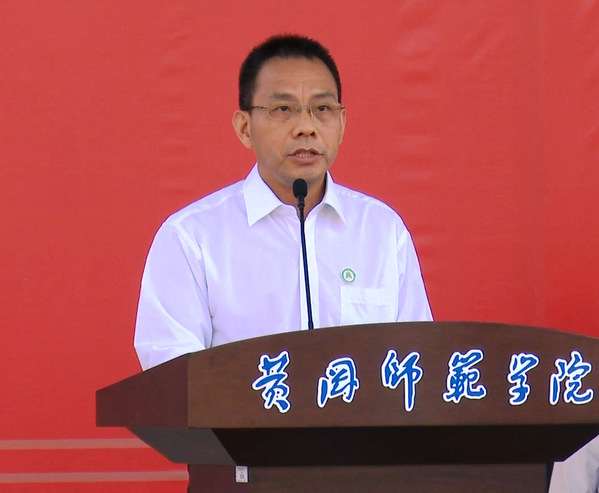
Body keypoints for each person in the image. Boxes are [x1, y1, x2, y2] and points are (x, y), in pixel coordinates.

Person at [133, 34, 432, 371]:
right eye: (283, 110)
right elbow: (173, 378)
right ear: (245, 128)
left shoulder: (381, 231)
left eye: (322, 109)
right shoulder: (192, 238)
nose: (306, 127)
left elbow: (417, 364)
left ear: (342, 124)